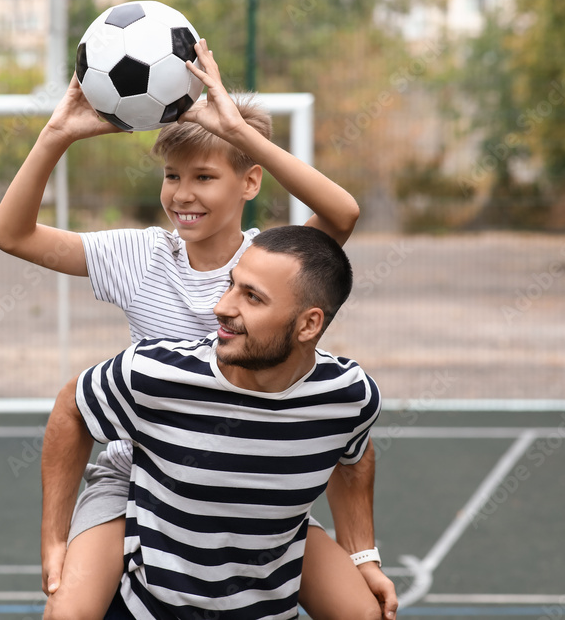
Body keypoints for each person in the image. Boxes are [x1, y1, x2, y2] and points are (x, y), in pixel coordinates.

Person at [0, 39, 396, 619]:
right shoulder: (140, 255)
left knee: (364, 612)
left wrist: (235, 127)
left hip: (250, 479)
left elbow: (343, 214)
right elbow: (12, 235)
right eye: (171, 176)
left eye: (203, 177)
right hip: (138, 474)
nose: (181, 193)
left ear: (249, 183)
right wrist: (56, 135)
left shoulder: (272, 265)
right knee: (68, 611)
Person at [53, 225, 382, 619]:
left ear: (308, 325)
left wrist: (364, 556)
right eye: (231, 285)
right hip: (150, 609)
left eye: (252, 297)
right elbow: (71, 407)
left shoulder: (350, 395)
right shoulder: (155, 373)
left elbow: (355, 456)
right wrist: (53, 540)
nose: (222, 307)